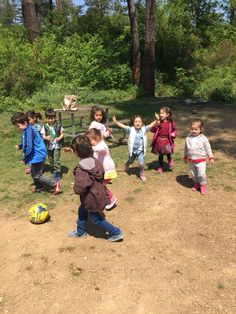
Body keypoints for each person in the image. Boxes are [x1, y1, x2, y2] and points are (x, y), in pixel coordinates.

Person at [68, 135, 123, 242]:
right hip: (99, 193)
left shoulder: (81, 168)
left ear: (76, 152)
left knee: (96, 219)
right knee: (82, 209)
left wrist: (75, 188)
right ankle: (81, 231)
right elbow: (99, 175)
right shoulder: (95, 161)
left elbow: (80, 187)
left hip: (92, 198)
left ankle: (116, 232)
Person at [11, 112, 61, 194]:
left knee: (38, 175)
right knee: (33, 173)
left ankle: (55, 183)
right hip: (35, 155)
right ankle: (40, 187)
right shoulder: (26, 129)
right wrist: (21, 146)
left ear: (25, 123)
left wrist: (25, 159)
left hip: (38, 155)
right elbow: (27, 142)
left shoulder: (29, 130)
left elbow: (29, 146)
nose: (17, 128)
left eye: (18, 126)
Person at [112, 114, 158, 181]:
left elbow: (151, 125)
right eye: (136, 122)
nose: (137, 123)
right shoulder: (131, 129)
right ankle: (127, 164)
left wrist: (156, 120)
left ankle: (142, 173)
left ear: (142, 123)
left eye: (139, 121)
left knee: (141, 163)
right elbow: (123, 126)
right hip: (133, 151)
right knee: (130, 161)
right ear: (133, 123)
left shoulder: (144, 129)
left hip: (140, 151)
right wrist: (116, 122)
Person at [86, 128, 117, 210]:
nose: (90, 144)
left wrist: (90, 148)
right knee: (100, 185)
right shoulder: (96, 145)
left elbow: (99, 149)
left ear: (96, 138)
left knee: (100, 185)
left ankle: (111, 199)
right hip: (103, 171)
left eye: (90, 141)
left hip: (108, 170)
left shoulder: (102, 145)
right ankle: (106, 198)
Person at [183, 119, 214, 195]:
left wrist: (211, 157)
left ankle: (202, 185)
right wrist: (185, 156)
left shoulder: (203, 138)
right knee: (193, 174)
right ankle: (196, 183)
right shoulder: (188, 138)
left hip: (201, 161)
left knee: (201, 174)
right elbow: (186, 148)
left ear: (201, 129)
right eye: (192, 129)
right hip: (191, 160)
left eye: (196, 129)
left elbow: (208, 148)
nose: (193, 131)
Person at [150, 107, 177, 173]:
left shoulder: (171, 123)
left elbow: (174, 130)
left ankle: (170, 160)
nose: (161, 114)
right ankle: (160, 167)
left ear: (167, 115)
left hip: (167, 141)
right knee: (160, 155)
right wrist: (157, 122)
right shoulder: (159, 122)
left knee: (168, 152)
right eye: (160, 113)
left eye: (163, 113)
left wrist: (173, 133)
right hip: (159, 141)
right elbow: (152, 130)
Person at [41, 108, 64, 181]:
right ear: (46, 118)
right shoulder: (45, 126)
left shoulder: (58, 125)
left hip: (56, 145)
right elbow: (43, 135)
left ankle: (57, 172)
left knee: (56, 159)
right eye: (49, 118)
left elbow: (62, 133)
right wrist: (46, 137)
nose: (51, 120)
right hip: (49, 145)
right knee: (51, 159)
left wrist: (59, 138)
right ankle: (53, 169)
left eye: (52, 118)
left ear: (55, 117)